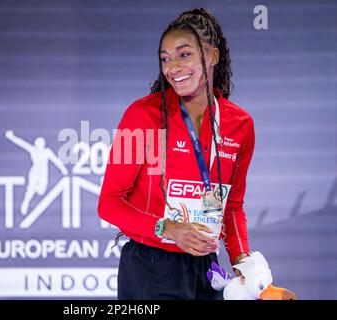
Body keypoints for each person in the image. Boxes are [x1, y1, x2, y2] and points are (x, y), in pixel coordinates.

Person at [98, 8, 255, 300]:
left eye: (184, 55)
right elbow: (109, 203)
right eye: (165, 58)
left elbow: (231, 207)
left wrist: (243, 259)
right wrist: (167, 228)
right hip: (152, 265)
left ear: (212, 56)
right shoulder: (143, 116)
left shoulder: (239, 125)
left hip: (208, 268)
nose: (172, 67)